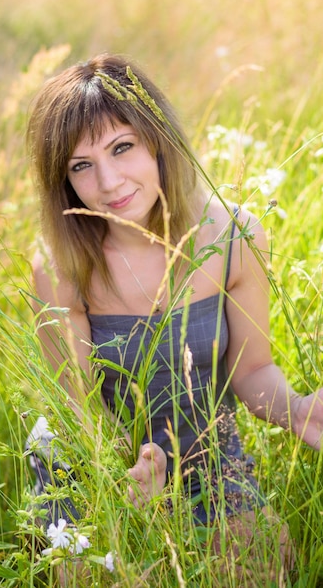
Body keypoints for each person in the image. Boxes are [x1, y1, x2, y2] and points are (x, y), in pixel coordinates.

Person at [25, 53, 322, 576]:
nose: (110, 182)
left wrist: (296, 410)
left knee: (268, 569)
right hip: (95, 460)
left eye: (122, 148)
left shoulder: (233, 235)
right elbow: (78, 415)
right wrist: (129, 472)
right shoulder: (60, 266)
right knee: (102, 576)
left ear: (157, 139)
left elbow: (251, 372)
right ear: (64, 182)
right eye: (81, 165)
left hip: (205, 447)